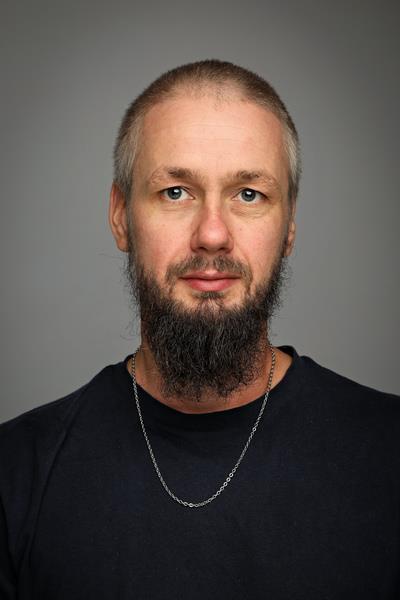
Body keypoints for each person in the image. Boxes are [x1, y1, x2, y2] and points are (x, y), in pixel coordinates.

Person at [0, 60, 399, 599]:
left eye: (249, 194)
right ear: (120, 215)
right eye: (176, 192)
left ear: (289, 226)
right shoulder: (17, 473)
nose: (212, 234)